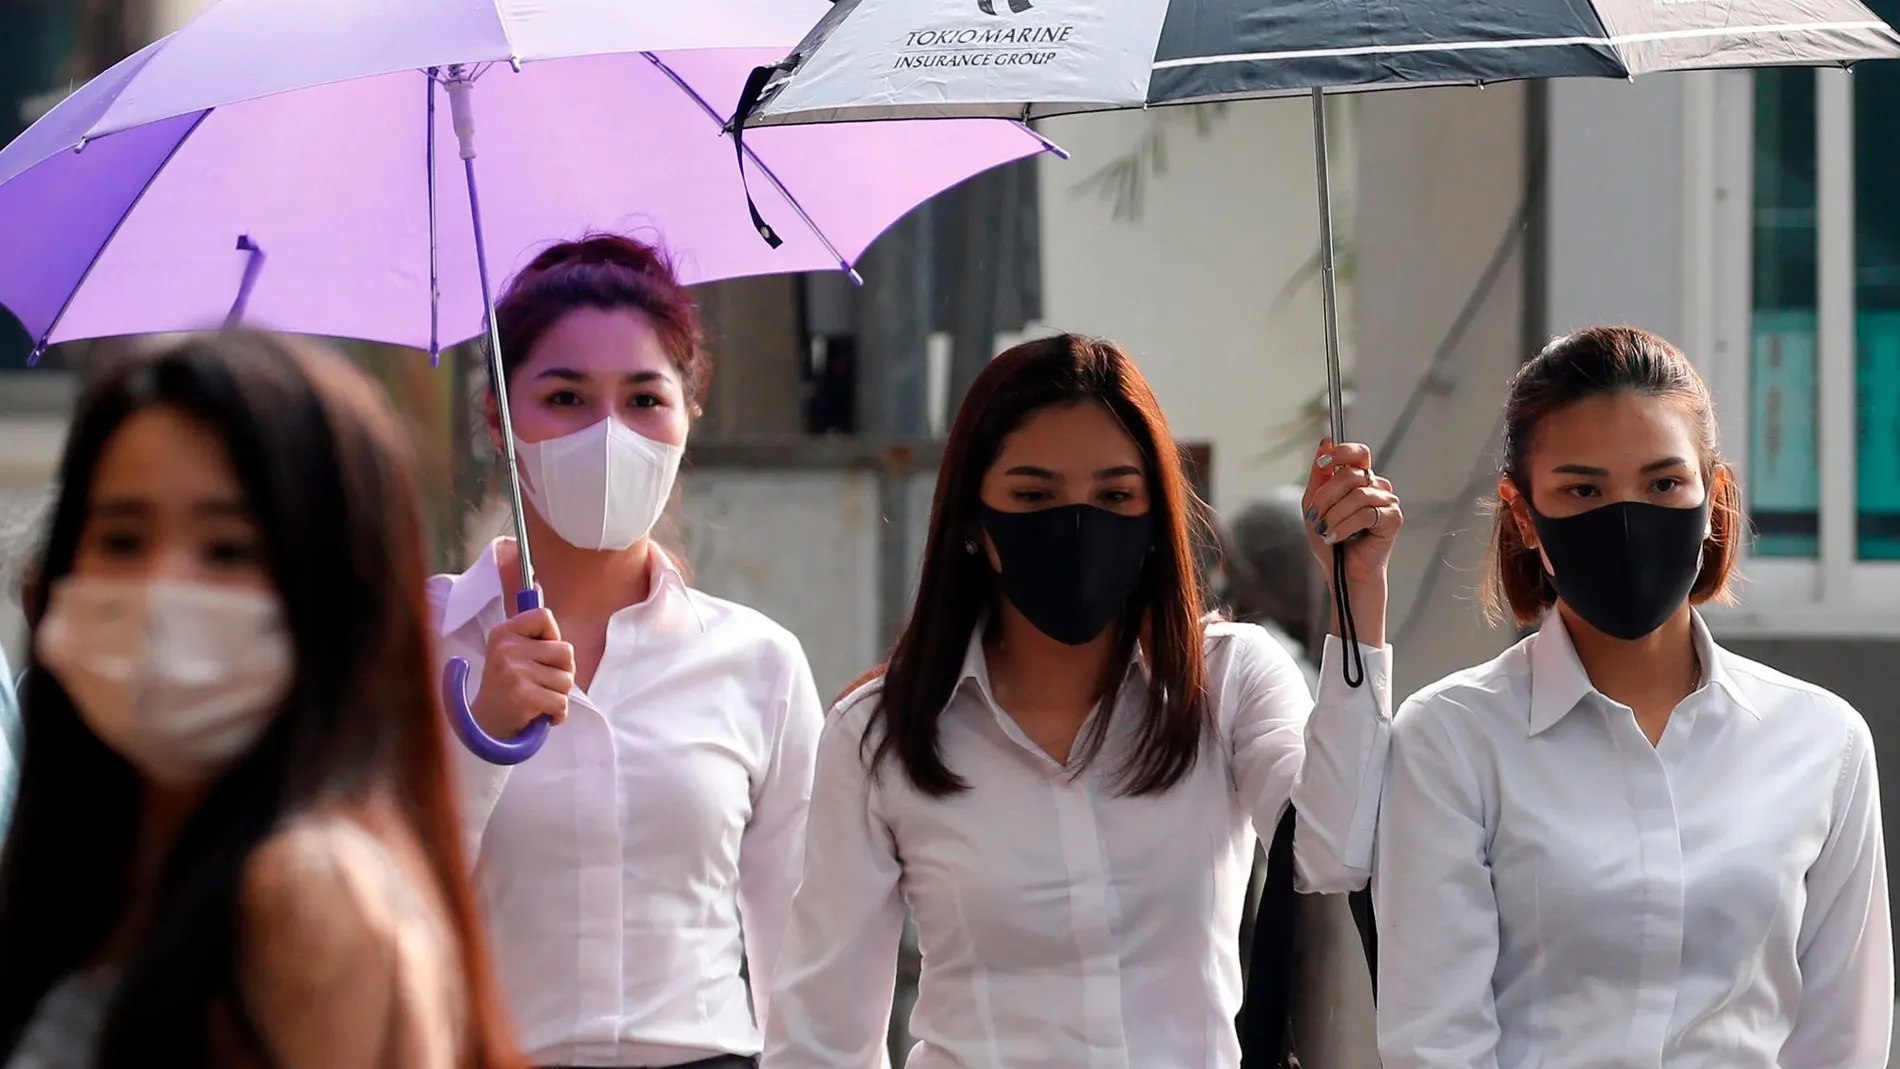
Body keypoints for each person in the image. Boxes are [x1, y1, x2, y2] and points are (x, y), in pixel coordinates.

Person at [763, 334, 1401, 1069]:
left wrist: (1357, 595)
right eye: (1033, 496)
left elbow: (1336, 848)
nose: (1076, 524)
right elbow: (822, 1035)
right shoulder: (881, 731)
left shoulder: (1228, 680)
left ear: (1154, 512)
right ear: (973, 516)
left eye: (1114, 496)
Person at [1375, 325, 1892, 1069]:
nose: (1626, 518)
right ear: (1523, 514)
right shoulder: (1452, 738)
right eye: (1583, 489)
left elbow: (1845, 1035)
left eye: (1662, 484)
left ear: (1713, 497)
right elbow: (1435, 1041)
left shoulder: (1822, 740)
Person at [0, 333, 521, 1069]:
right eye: (121, 540)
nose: (161, 592)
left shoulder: (302, 893)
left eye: (228, 550)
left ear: (337, 591)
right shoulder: (109, 867)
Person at [437, 234, 823, 1069]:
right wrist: (481, 739)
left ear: (689, 414)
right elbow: (369, 908)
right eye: (566, 397)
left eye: (644, 399)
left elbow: (809, 963)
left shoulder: (759, 663)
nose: (608, 434)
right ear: (500, 417)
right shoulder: (408, 638)